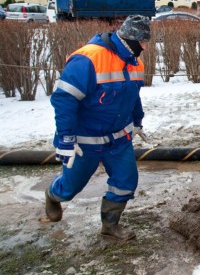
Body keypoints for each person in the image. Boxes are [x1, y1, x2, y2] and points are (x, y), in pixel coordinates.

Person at [44, 15, 151, 241]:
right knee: (70, 188)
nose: (145, 47)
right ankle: (53, 195)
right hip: (85, 141)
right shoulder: (88, 59)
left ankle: (110, 225)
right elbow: (64, 99)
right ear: (129, 39)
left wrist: (138, 121)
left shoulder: (134, 62)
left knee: (126, 182)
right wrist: (65, 138)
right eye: (142, 42)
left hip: (118, 139)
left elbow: (134, 95)